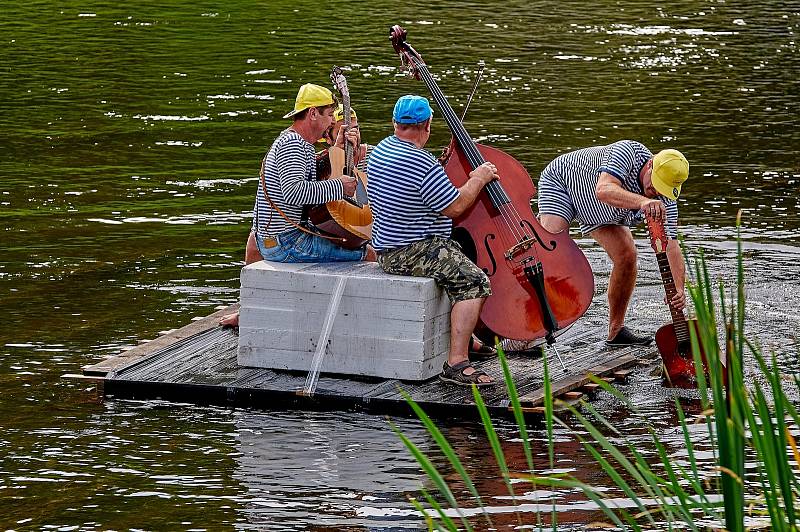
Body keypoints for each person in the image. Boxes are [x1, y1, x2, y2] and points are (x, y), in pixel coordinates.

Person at [367, 95, 499, 387]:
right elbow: (455, 207)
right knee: (474, 281)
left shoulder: (380, 150)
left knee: (461, 254)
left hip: (386, 246)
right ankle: (457, 364)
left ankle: (471, 340)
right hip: (411, 250)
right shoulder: (421, 162)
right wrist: (478, 177)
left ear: (395, 123)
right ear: (427, 124)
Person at [219, 84, 375, 328]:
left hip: (273, 239)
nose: (331, 121)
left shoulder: (294, 142)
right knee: (369, 254)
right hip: (288, 243)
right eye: (328, 114)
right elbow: (293, 193)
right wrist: (339, 187)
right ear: (313, 114)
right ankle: (362, 324)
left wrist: (336, 150)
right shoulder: (294, 146)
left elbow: (304, 181)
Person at [536, 140, 690, 346]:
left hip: (603, 212)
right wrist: (643, 201)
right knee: (551, 253)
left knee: (627, 256)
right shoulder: (626, 151)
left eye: (662, 190)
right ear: (650, 163)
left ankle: (616, 331)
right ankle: (526, 331)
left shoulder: (665, 198)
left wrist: (679, 288)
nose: (655, 192)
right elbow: (604, 189)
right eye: (654, 185)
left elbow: (670, 243)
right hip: (564, 184)